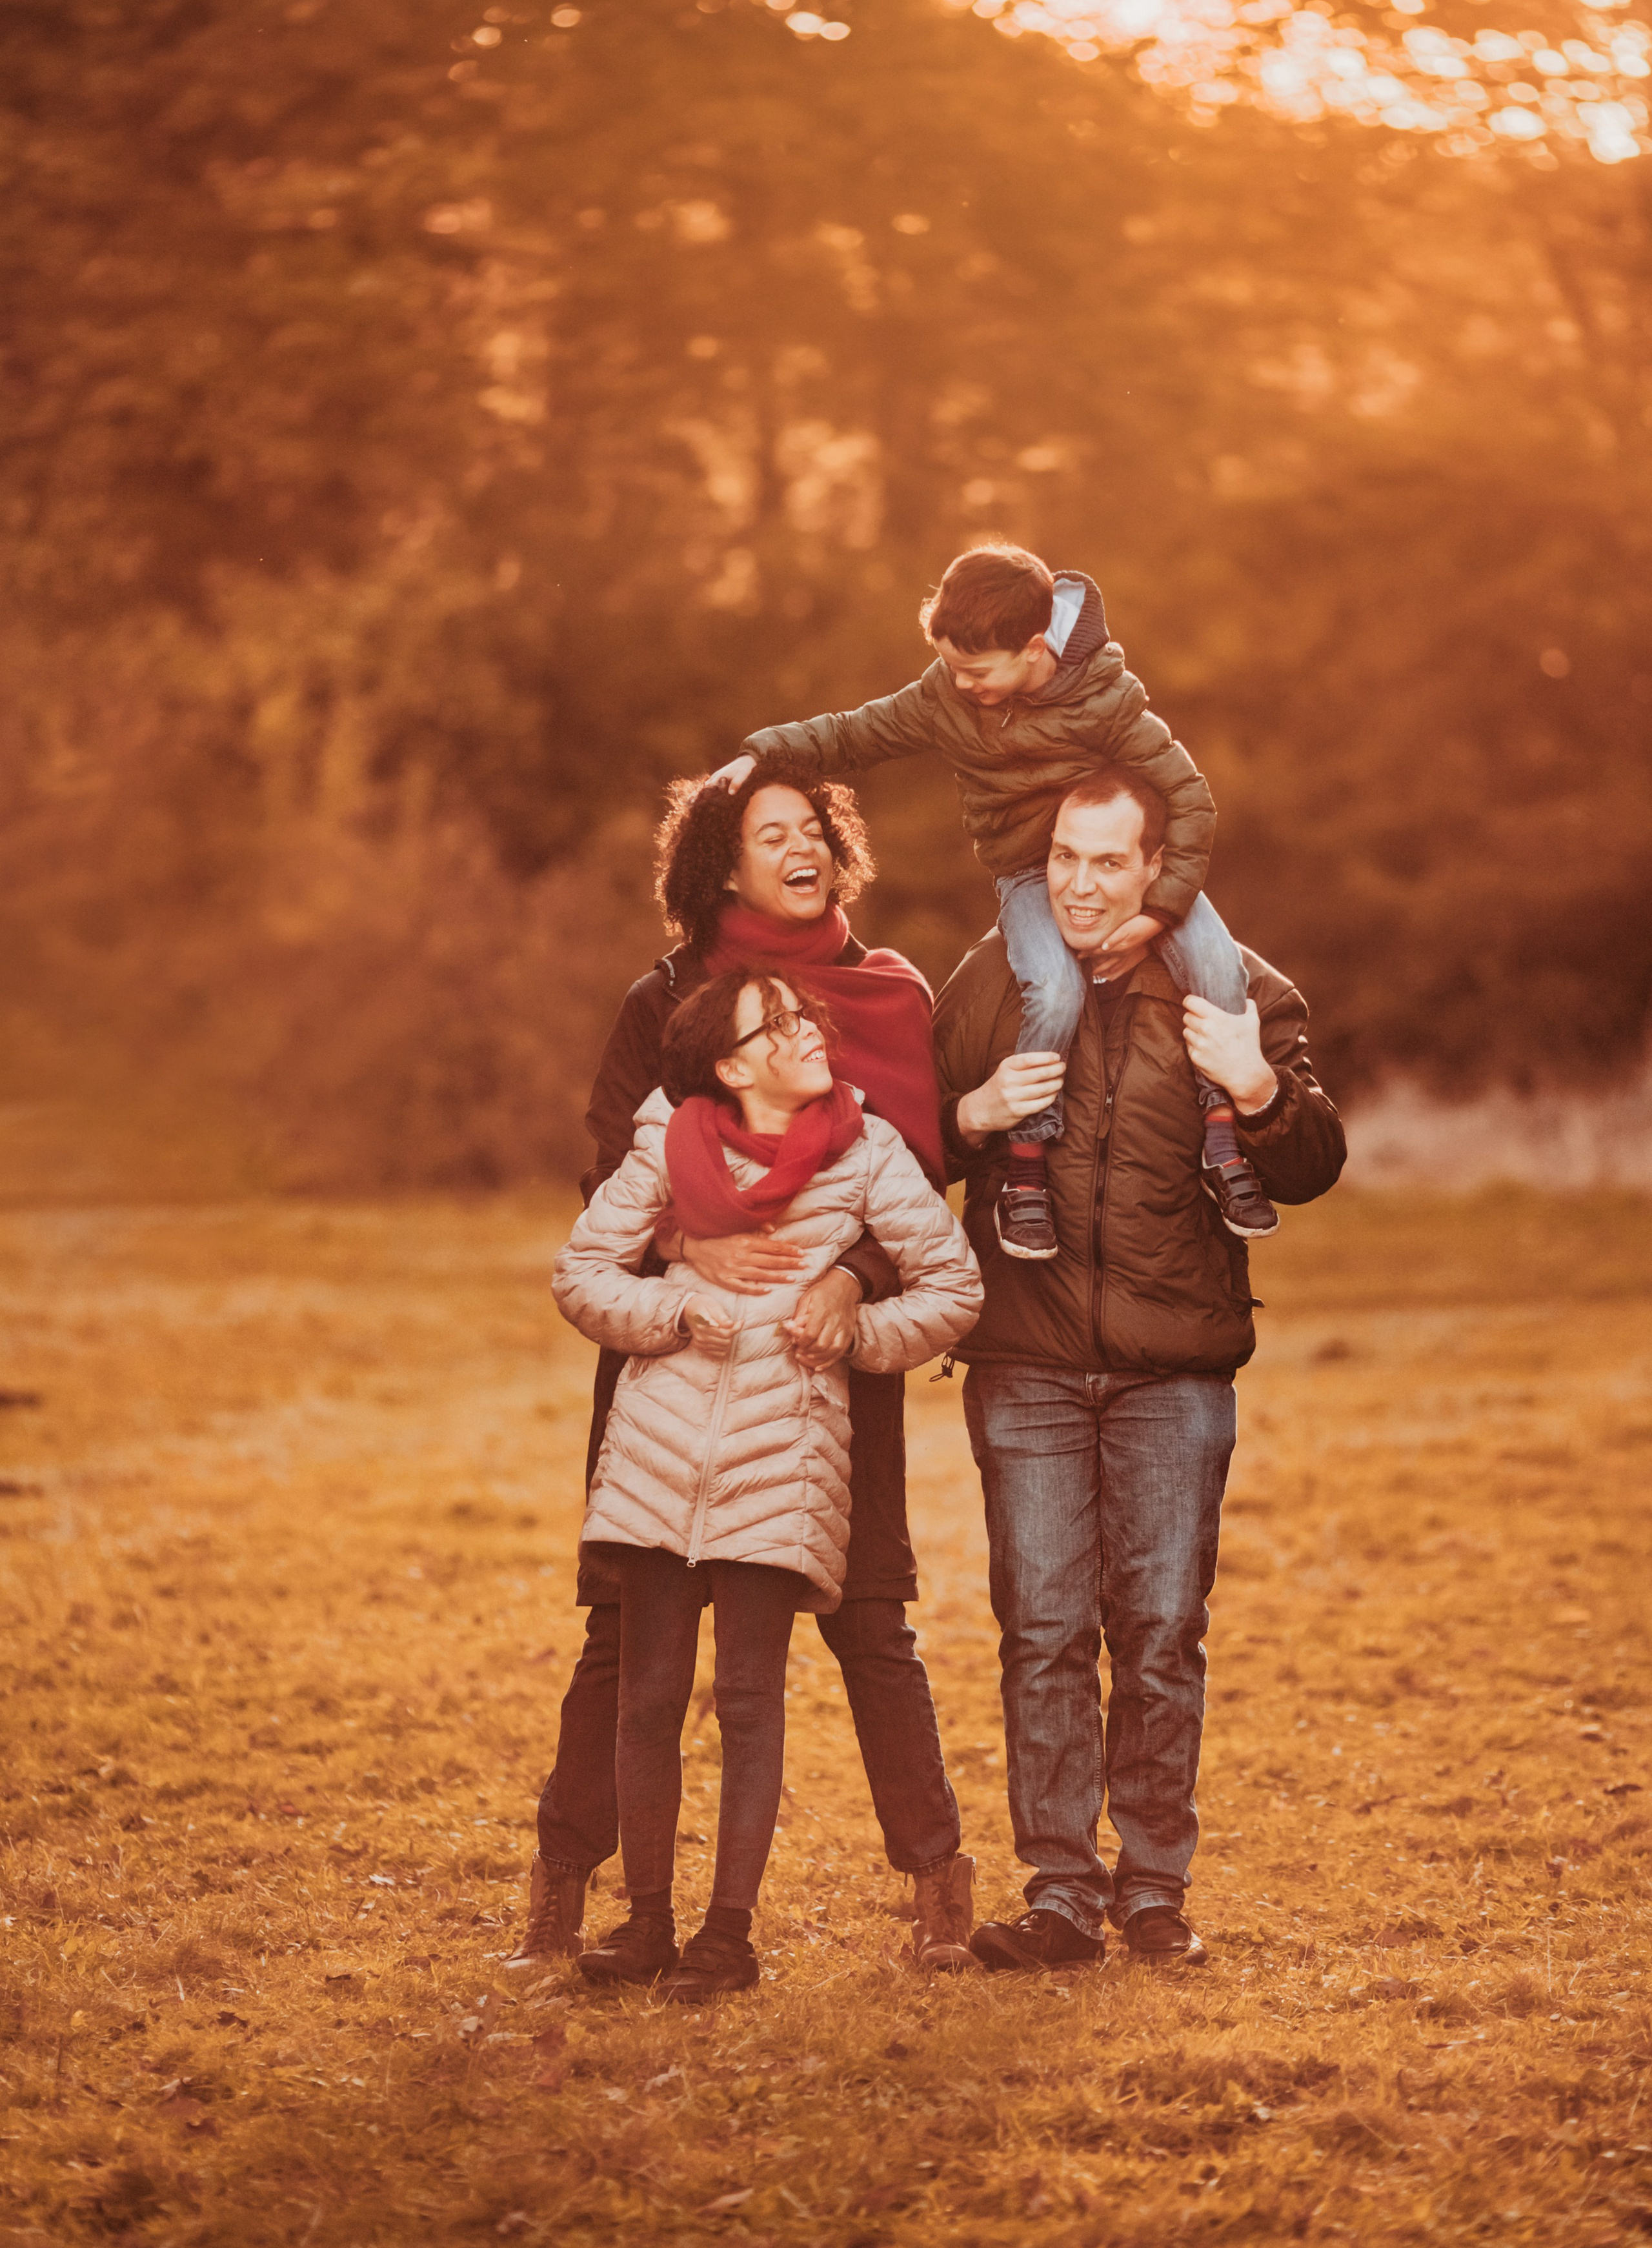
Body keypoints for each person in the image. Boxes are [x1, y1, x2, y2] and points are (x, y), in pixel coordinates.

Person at [512, 761, 982, 1977]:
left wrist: (855, 1283)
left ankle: (938, 1886)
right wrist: (685, 1247)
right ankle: (566, 1890)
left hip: (825, 1368)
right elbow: (608, 1179)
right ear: (722, 861)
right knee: (625, 1637)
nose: (804, 844)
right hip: (678, 1357)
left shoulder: (883, 993)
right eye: (773, 832)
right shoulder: (667, 996)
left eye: (816, 826)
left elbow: (917, 1180)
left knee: (869, 1618)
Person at [932, 763, 1345, 1971]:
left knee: (1161, 1629)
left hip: (1178, 1371)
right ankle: (1061, 1891)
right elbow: (901, 1136)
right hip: (1026, 1364)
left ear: (1158, 866)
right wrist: (971, 1110)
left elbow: (1314, 1161)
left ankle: (1154, 1889)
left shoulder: (1241, 990)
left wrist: (1259, 1086)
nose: (1080, 883)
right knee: (1044, 1628)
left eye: (1109, 860)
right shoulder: (993, 980)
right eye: (1064, 856)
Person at [710, 539, 1280, 1261]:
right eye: (950, 664)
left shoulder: (1105, 698)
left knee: (1220, 972)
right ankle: (1027, 1168)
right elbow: (854, 733)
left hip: (1118, 872)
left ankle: (1223, 1145)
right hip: (1027, 874)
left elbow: (1191, 802)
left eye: (975, 670)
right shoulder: (945, 698)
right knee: (1054, 992)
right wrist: (759, 753)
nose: (960, 681)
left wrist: (1159, 909)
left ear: (1034, 647)